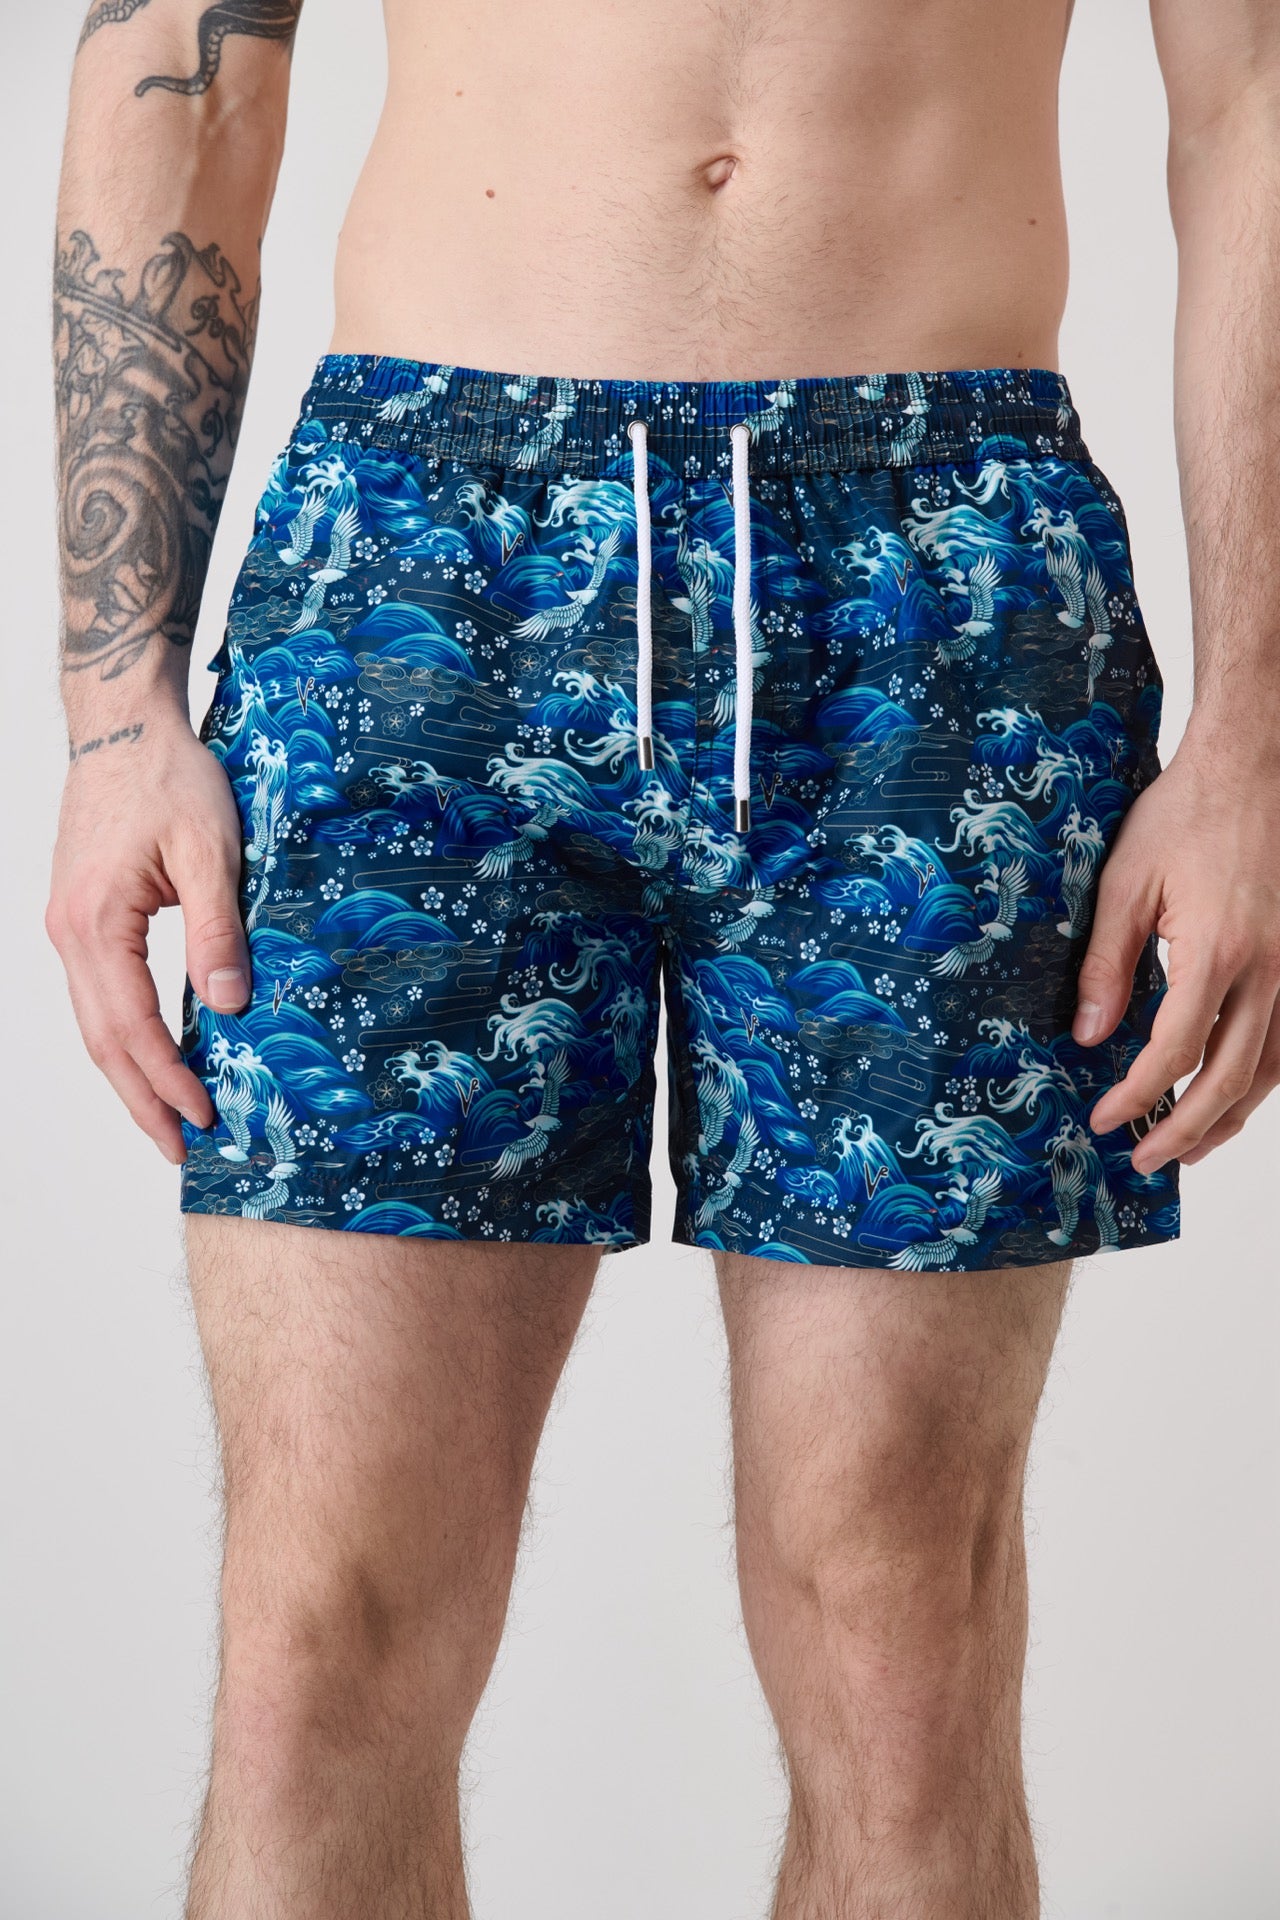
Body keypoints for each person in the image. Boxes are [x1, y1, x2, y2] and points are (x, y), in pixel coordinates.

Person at [45, 2, 1280, 1913]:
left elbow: (1253, 95)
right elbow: (186, 72)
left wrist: (1254, 744)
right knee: (325, 1632)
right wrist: (117, 715)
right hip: (427, 573)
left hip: (936, 585)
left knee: (897, 1635)